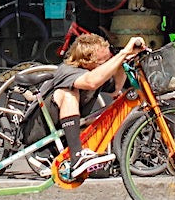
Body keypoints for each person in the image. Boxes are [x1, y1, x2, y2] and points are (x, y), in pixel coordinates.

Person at [50, 32, 145, 180]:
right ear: (86, 61)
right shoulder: (67, 71)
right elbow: (91, 82)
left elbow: (116, 88)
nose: (107, 64)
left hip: (70, 130)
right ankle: (76, 157)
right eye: (103, 62)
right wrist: (123, 52)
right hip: (43, 132)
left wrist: (122, 61)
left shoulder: (93, 70)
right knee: (69, 94)